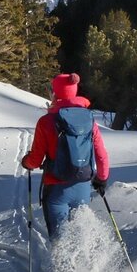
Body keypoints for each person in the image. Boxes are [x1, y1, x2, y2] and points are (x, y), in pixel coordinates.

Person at [21, 73, 109, 239]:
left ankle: (63, 265)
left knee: (60, 240)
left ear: (55, 93)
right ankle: (89, 264)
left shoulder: (46, 121)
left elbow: (35, 160)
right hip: (83, 186)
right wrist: (102, 179)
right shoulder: (89, 120)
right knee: (80, 237)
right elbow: (101, 154)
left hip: (56, 188)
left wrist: (26, 162)